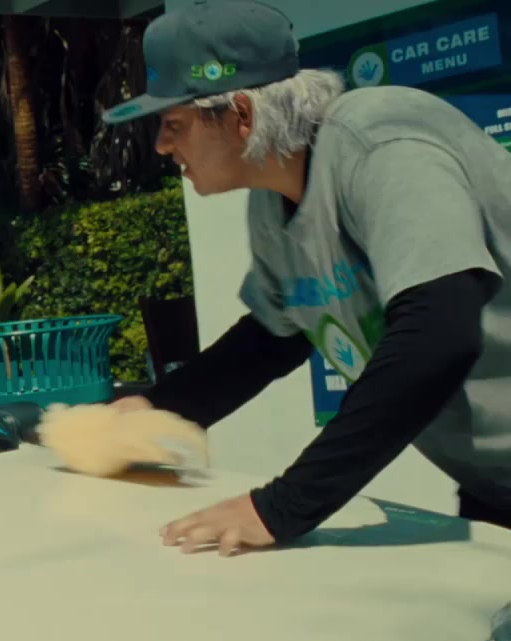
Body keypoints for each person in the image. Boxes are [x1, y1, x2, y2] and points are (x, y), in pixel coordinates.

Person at [100, 0, 511, 555]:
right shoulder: (273, 201)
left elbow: (439, 332)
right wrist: (155, 411)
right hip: (493, 488)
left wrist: (282, 506)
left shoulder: (383, 144)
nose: (161, 146)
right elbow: (275, 337)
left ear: (241, 115)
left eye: (174, 125)